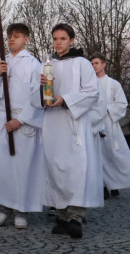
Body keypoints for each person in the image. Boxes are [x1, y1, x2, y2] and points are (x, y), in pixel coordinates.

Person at [39, 23, 100, 239]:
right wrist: (42, 89)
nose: (58, 42)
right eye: (55, 38)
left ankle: (75, 216)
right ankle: (61, 215)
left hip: (74, 122)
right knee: (55, 168)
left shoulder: (82, 63)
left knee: (76, 169)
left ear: (71, 40)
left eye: (63, 38)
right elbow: (35, 96)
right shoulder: (47, 64)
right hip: (52, 124)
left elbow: (92, 92)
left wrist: (65, 99)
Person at [0, 23, 44, 229]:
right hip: (2, 118)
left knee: (22, 167)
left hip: (22, 120)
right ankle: (4, 207)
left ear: (26, 39)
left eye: (16, 36)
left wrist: (21, 120)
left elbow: (37, 96)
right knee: (1, 167)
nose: (11, 39)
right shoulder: (0, 63)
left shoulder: (33, 64)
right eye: (9, 36)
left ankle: (21, 209)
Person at [90, 54, 130, 197]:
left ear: (104, 64)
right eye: (92, 63)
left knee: (111, 154)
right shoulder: (88, 83)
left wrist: (106, 109)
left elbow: (122, 104)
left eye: (96, 63)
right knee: (95, 154)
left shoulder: (113, 84)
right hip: (92, 123)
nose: (94, 66)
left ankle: (114, 183)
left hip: (108, 122)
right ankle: (101, 185)